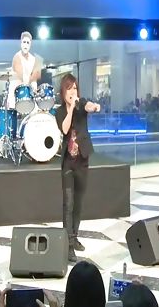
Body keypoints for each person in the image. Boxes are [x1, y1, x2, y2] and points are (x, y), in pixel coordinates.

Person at [55, 73, 101, 262]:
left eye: (75, 88)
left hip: (82, 160)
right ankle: (68, 246)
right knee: (68, 204)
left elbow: (89, 106)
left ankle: (74, 238)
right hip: (68, 162)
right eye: (69, 88)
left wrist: (94, 107)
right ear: (63, 91)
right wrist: (71, 108)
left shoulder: (81, 105)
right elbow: (65, 129)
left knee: (79, 204)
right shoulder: (59, 111)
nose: (73, 91)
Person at [8, 31, 42, 110]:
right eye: (24, 42)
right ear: (21, 43)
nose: (25, 45)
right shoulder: (17, 57)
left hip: (28, 93)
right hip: (16, 93)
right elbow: (21, 77)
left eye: (27, 42)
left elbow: (34, 79)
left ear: (30, 45)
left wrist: (35, 89)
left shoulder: (34, 59)